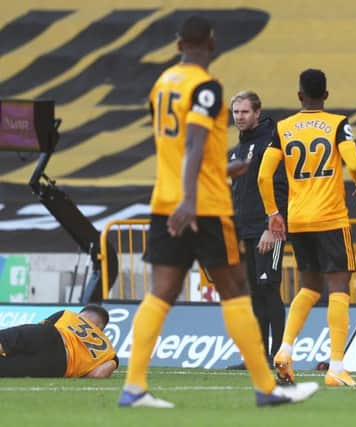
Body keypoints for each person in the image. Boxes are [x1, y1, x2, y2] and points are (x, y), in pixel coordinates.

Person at [118, 15, 318, 408]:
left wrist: (217, 170)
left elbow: (174, 146)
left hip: (165, 201)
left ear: (178, 45)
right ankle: (266, 387)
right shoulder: (205, 88)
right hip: (203, 206)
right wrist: (193, 198)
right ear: (211, 44)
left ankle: (134, 386)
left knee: (161, 292)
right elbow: (192, 142)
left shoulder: (161, 86)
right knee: (237, 289)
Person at [257, 69, 356, 388]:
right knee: (339, 289)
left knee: (309, 287)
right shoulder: (337, 123)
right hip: (330, 218)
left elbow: (264, 176)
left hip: (299, 219)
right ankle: (335, 366)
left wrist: (272, 213)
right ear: (327, 95)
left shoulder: (283, 127)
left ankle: (285, 349)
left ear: (299, 96)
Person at [227, 90, 287, 369]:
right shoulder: (240, 148)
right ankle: (259, 356)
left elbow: (280, 186)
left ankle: (278, 355)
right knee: (254, 292)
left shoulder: (271, 142)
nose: (239, 117)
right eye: (236, 112)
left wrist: (271, 226)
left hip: (267, 229)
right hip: (245, 229)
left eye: (245, 112)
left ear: (257, 113)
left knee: (269, 288)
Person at [0, 304, 118, 378]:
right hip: (59, 366)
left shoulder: (68, 314)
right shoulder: (110, 353)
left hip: (51, 334)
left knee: (5, 342)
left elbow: (39, 330)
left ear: (83, 314)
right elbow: (98, 375)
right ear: (102, 329)